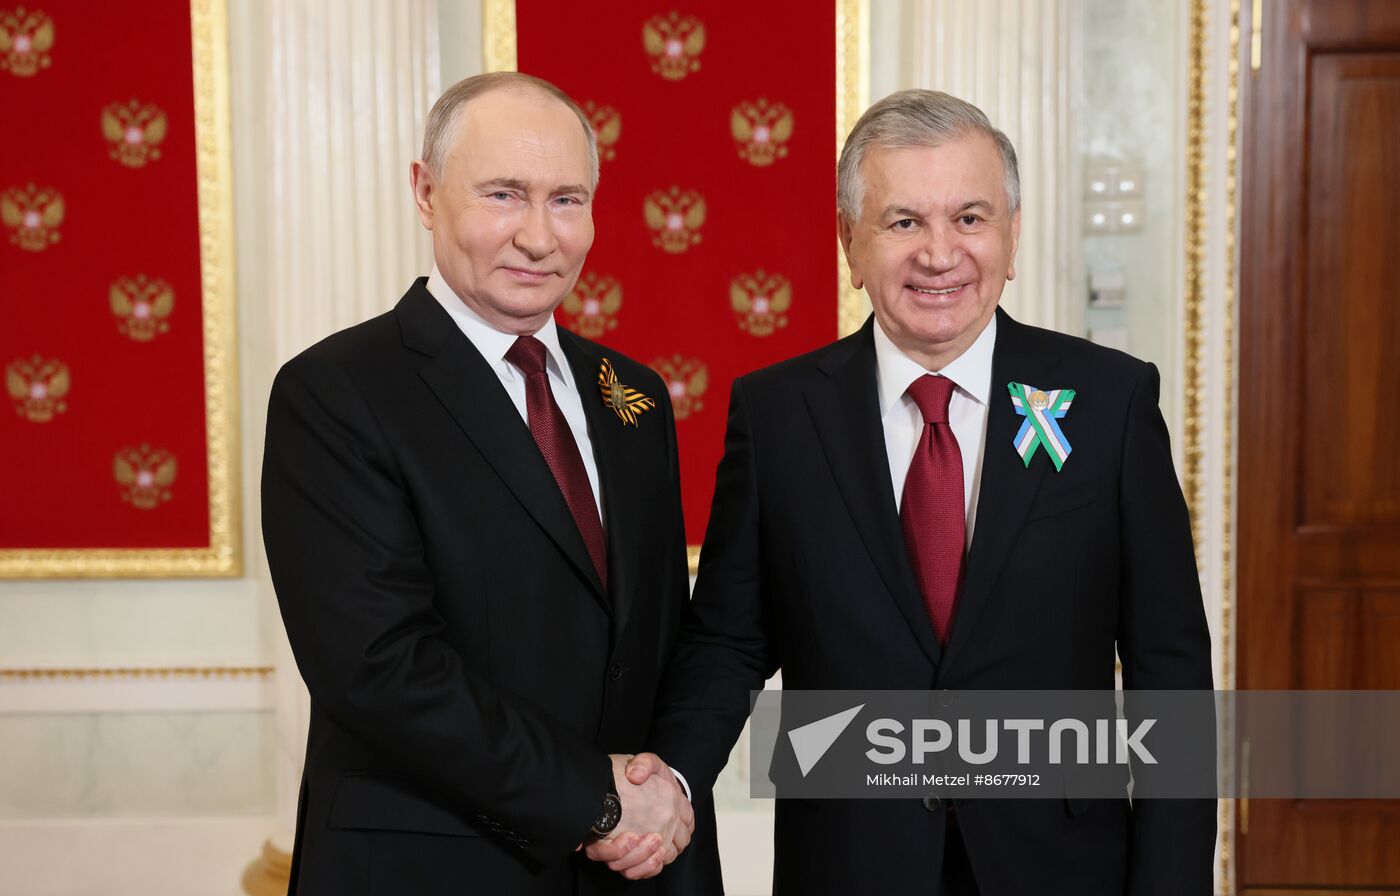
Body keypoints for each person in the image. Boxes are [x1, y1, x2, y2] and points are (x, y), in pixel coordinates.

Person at [601, 89, 1216, 894]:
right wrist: (670, 781)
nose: (939, 254)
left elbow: (1170, 670)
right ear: (851, 244)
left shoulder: (1111, 402)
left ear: (1011, 235)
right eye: (903, 223)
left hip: (1061, 864)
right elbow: (729, 640)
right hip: (850, 864)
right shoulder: (781, 415)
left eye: (969, 218)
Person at [261, 72, 718, 896]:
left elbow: (661, 643)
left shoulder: (635, 396)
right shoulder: (336, 391)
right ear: (426, 193)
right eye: (505, 195)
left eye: (568, 200)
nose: (539, 238)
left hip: (638, 871)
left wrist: (668, 789)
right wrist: (595, 801)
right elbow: (379, 668)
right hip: (434, 864)